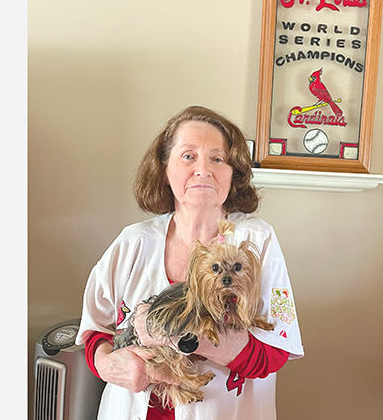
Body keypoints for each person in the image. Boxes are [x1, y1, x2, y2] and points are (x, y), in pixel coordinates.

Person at [76, 105, 304, 420]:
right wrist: (106, 363)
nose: (203, 169)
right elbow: (94, 332)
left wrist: (181, 336)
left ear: (233, 173)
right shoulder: (132, 242)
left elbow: (274, 352)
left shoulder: (258, 239)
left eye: (218, 158)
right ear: (164, 170)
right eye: (188, 156)